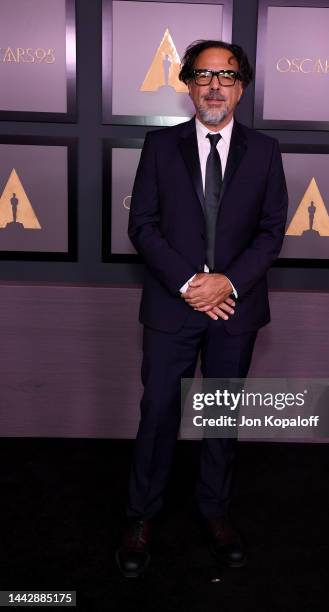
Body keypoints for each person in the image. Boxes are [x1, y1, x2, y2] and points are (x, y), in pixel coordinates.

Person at [116, 39, 288, 577]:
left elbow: (270, 232)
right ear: (189, 83)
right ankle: (141, 518)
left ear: (241, 87)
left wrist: (225, 283)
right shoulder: (159, 146)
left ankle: (214, 512)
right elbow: (141, 225)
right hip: (172, 306)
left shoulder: (265, 150)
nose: (215, 86)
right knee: (159, 413)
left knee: (220, 415)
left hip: (234, 307)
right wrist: (192, 283)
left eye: (227, 76)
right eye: (204, 75)